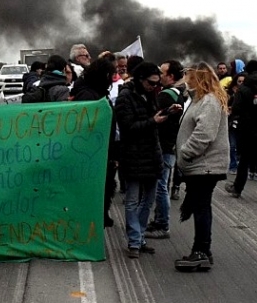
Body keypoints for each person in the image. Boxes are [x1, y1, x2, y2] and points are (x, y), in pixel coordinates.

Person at [173, 62, 229, 271]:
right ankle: (203, 250)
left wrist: (185, 153)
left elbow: (204, 134)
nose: (186, 79)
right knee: (201, 206)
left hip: (204, 165)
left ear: (198, 78)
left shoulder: (208, 101)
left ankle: (201, 251)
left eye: (189, 75)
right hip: (202, 165)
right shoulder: (201, 100)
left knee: (202, 207)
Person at [114, 61, 167, 259]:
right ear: (140, 79)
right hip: (133, 155)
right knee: (133, 200)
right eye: (151, 83)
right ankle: (134, 241)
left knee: (149, 200)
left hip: (151, 154)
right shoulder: (125, 97)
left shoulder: (151, 95)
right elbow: (127, 127)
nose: (154, 87)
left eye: (157, 84)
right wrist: (152, 121)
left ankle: (140, 236)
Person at [71, 57, 118, 227]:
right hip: (92, 157)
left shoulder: (96, 92)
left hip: (102, 153)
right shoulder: (88, 95)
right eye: (111, 74)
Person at [225, 60, 257, 204]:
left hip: (247, 130)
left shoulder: (244, 86)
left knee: (244, 160)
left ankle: (237, 189)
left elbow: (236, 108)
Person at [145, 60, 186, 239]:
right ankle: (160, 220)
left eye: (162, 73)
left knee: (161, 186)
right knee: (163, 184)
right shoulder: (179, 94)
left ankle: (163, 224)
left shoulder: (165, 96)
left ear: (170, 76)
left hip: (163, 145)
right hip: (171, 145)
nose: (159, 76)